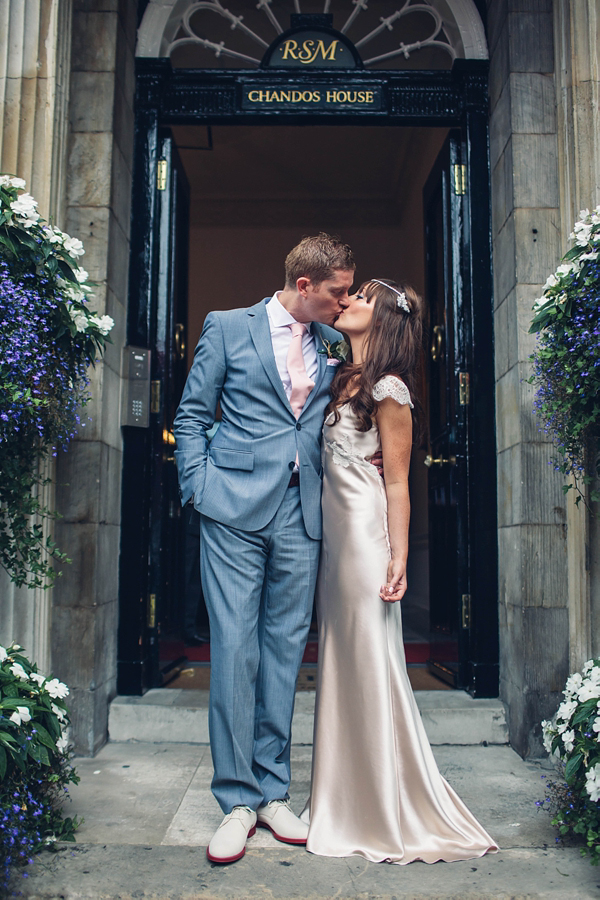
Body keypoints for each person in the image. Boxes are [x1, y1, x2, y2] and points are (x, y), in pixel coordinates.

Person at [173, 233, 355, 864]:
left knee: (283, 653)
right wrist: (197, 488)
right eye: (337, 291)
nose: (345, 300)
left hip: (303, 514)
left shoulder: (335, 343)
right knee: (234, 648)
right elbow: (193, 413)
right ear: (304, 286)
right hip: (231, 509)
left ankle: (273, 789)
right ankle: (236, 801)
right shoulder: (226, 327)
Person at [304, 278, 498, 864]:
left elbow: (396, 480)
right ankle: (340, 798)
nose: (348, 302)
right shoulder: (338, 375)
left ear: (383, 318)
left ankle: (381, 807)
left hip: (364, 538)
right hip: (333, 542)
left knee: (368, 657)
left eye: (360, 297)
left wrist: (398, 556)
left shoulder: (390, 388)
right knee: (339, 658)